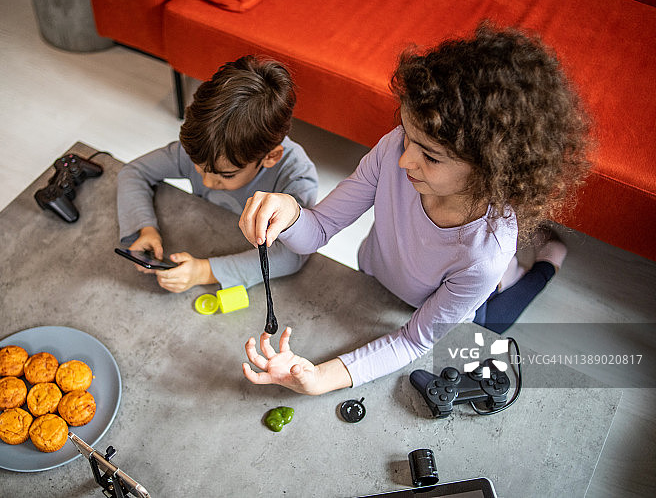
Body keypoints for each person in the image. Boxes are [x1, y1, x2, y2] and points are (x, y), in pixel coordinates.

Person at [238, 23, 591, 395]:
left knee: (495, 321)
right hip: (382, 278)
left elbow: (412, 340)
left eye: (431, 157)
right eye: (407, 135)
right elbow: (320, 227)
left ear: (490, 171)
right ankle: (520, 268)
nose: (405, 159)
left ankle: (547, 263)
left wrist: (321, 378)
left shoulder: (483, 256)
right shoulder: (395, 150)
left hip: (472, 299)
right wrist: (289, 212)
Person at [117, 55, 318, 293]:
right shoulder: (207, 147)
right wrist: (145, 228)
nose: (206, 182)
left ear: (270, 157)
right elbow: (133, 172)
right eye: (198, 167)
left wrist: (204, 272)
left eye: (226, 176)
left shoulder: (296, 178)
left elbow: (294, 255)